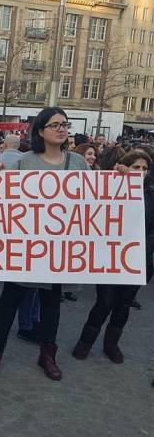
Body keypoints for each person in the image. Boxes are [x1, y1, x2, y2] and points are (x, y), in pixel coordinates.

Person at [0, 107, 90, 381]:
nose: (61, 129)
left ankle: (47, 355)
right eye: (54, 125)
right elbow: (2, 199)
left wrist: (123, 176)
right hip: (26, 249)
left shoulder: (78, 163)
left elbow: (97, 198)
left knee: (51, 304)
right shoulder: (24, 162)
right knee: (9, 302)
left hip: (58, 249)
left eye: (64, 124)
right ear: (41, 131)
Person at [72, 150, 153, 364]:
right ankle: (85, 342)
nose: (141, 172)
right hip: (110, 256)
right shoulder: (111, 187)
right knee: (105, 302)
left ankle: (111, 345)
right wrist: (117, 176)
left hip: (138, 259)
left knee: (123, 305)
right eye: (136, 167)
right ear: (124, 166)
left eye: (145, 169)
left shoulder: (151, 194)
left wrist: (143, 249)